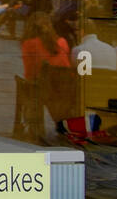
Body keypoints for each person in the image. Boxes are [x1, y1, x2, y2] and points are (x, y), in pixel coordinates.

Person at [17, 12, 75, 141]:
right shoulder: (62, 42)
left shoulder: (29, 43)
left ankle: (35, 131)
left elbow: (30, 73)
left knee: (31, 90)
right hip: (64, 89)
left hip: (43, 89)